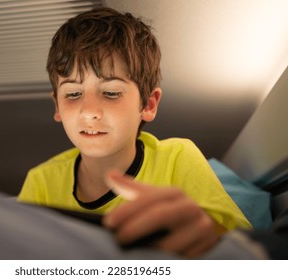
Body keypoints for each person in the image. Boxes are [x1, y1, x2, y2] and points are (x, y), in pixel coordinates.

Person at [17, 7, 251, 258]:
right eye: (73, 94)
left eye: (111, 93)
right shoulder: (40, 181)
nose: (89, 112)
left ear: (148, 105)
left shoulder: (178, 157)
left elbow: (245, 249)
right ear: (57, 106)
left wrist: (208, 241)